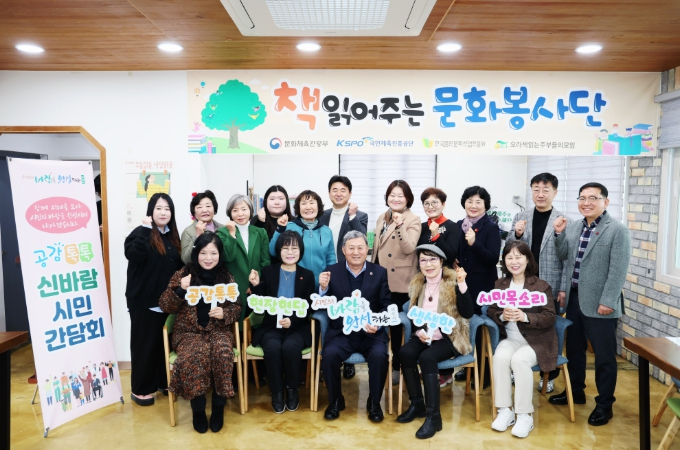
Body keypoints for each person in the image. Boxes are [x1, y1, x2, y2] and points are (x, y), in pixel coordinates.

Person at [549, 182, 631, 427]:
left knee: (604, 357)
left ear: (605, 201)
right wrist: (559, 234)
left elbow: (618, 270)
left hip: (601, 304)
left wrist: (608, 300)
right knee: (574, 350)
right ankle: (575, 391)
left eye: (593, 198)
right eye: (582, 198)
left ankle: (605, 404)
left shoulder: (617, 230)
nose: (586, 202)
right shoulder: (575, 226)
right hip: (574, 299)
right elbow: (564, 255)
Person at [159, 232, 242, 433]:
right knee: (195, 354)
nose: (208, 258)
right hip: (188, 332)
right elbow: (165, 305)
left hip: (218, 330)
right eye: (203, 253)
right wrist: (181, 289)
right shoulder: (184, 274)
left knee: (223, 353)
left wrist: (225, 313)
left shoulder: (226, 277)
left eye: (213, 253)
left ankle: (219, 407)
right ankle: (198, 410)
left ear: (220, 255)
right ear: (196, 253)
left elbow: (236, 307)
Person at [397, 245, 473, 439]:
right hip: (425, 335)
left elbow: (467, 312)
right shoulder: (417, 284)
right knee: (405, 353)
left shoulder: (453, 282)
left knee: (427, 358)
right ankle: (417, 404)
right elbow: (414, 314)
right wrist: (419, 332)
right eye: (423, 260)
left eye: (432, 259)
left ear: (441, 262)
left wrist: (462, 284)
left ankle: (434, 417)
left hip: (450, 337)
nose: (428, 264)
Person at [506, 172, 569, 393]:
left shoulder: (562, 219)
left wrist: (563, 288)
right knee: (518, 325)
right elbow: (509, 249)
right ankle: (516, 367)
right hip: (521, 284)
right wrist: (517, 234)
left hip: (549, 285)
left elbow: (566, 257)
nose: (540, 194)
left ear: (555, 192)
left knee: (547, 329)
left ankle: (548, 374)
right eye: (536, 189)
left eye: (545, 190)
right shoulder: (521, 216)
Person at [319, 231, 391, 422]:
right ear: (343, 250)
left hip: (370, 333)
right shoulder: (331, 271)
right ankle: (335, 400)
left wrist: (377, 324)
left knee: (379, 356)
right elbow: (323, 304)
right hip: (342, 332)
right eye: (351, 248)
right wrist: (323, 289)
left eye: (360, 247)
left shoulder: (379, 272)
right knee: (329, 355)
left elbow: (385, 305)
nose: (356, 252)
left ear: (367, 249)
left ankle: (374, 402)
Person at [488, 240, 557, 439]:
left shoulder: (541, 286)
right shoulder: (500, 285)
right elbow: (491, 310)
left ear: (528, 260)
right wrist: (502, 316)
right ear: (504, 261)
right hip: (511, 339)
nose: (514, 261)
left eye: (519, 257)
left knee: (519, 360)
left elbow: (550, 317)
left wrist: (526, 316)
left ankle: (525, 415)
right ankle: (505, 411)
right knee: (500, 357)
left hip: (536, 341)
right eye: (509, 257)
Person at [124, 192, 183, 406]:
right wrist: (145, 228)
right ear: (151, 211)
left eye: (167, 209)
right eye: (158, 208)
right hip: (144, 302)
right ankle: (140, 389)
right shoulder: (141, 233)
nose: (163, 212)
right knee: (144, 347)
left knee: (161, 346)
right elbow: (133, 254)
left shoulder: (171, 236)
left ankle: (161, 382)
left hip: (167, 303)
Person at [248, 231, 316, 413]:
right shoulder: (268, 272)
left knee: (290, 347)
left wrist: (292, 320)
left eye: (294, 248)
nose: (290, 252)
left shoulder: (307, 275)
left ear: (300, 250)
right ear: (279, 250)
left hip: (297, 326)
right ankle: (277, 392)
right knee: (272, 347)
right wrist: (256, 285)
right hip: (271, 326)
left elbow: (308, 306)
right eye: (285, 248)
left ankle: (292, 390)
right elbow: (260, 306)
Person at [319, 175, 368, 381]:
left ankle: (348, 362)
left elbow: (361, 239)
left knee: (348, 312)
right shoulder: (322, 215)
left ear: (350, 193)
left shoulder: (360, 215)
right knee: (329, 314)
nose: (338, 193)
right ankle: (329, 360)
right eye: (334, 189)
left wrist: (352, 216)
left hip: (348, 272)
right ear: (329, 193)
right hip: (325, 270)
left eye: (343, 190)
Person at [373, 180, 422, 384]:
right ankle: (381, 361)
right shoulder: (382, 217)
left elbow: (409, 247)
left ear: (408, 199)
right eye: (392, 195)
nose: (395, 199)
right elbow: (377, 248)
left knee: (397, 326)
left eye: (400, 195)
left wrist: (400, 225)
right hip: (379, 278)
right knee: (381, 321)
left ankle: (397, 366)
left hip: (400, 281)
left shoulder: (413, 219)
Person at [453, 186, 501, 387]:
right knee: (464, 326)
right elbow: (456, 251)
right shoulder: (459, 225)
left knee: (480, 329)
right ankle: (468, 366)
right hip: (463, 284)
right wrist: (453, 260)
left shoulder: (491, 228)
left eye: (478, 202)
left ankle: (484, 373)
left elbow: (492, 259)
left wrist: (474, 243)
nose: (473, 205)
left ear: (485, 205)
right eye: (470, 201)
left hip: (482, 287)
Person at [416, 187, 460, 388]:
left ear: (443, 204)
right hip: (424, 281)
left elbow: (450, 255)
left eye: (435, 202)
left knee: (443, 322)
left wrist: (436, 235)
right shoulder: (421, 226)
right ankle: (429, 367)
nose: (430, 206)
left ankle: (445, 372)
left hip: (445, 282)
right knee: (426, 322)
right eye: (426, 203)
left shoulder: (451, 227)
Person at [216, 194, 271, 325]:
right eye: (235, 210)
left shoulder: (260, 232)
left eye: (244, 209)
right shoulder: (222, 232)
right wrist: (231, 234)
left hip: (255, 285)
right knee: (236, 325)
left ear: (250, 211)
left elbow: (265, 261)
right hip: (233, 287)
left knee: (255, 324)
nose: (240, 214)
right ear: (230, 213)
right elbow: (227, 257)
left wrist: (256, 283)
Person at [269, 190, 335, 287]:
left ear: (318, 206)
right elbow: (273, 251)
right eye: (304, 204)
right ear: (298, 208)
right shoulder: (289, 227)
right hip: (295, 283)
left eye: (312, 203)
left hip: (321, 285)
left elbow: (331, 260)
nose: (308, 207)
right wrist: (280, 228)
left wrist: (328, 282)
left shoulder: (326, 231)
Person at [180, 190, 224, 264]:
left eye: (208, 206)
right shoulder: (188, 231)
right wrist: (197, 236)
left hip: (221, 270)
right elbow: (186, 260)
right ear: (194, 211)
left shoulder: (223, 229)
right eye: (199, 207)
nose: (204, 210)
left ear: (214, 208)